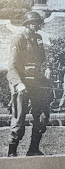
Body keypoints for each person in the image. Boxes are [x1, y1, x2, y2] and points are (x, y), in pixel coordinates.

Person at [7, 11, 52, 157]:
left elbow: (42, 60)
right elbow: (12, 67)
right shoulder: (19, 40)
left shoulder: (37, 39)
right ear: (28, 24)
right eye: (36, 23)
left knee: (42, 117)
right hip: (22, 84)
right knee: (19, 120)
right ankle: (12, 152)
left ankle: (33, 149)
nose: (38, 26)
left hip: (37, 83)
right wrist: (19, 83)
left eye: (39, 23)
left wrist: (47, 69)